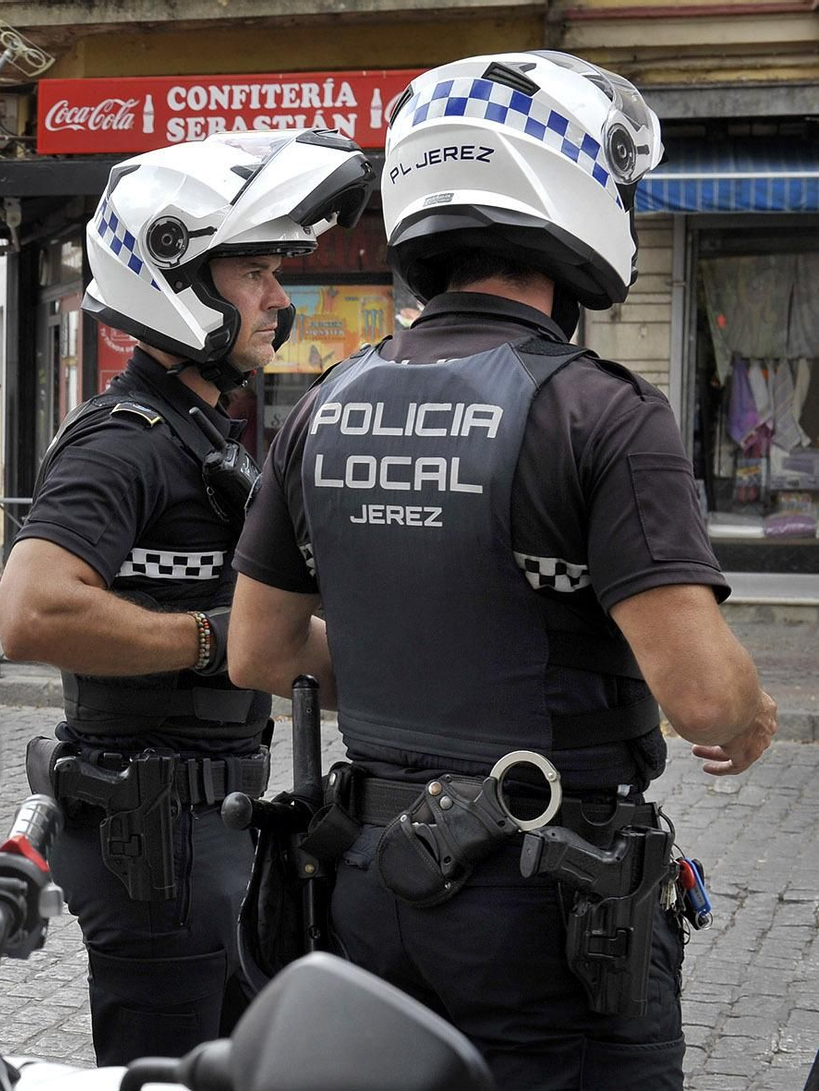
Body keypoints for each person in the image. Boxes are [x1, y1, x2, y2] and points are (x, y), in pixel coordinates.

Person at [227, 51, 778, 1090]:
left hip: (366, 890)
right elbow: (702, 697)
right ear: (568, 190)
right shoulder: (601, 411)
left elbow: (258, 651)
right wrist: (750, 714)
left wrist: (411, 660)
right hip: (545, 910)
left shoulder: (323, 406)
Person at [0, 129, 375, 1065]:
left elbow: (274, 633)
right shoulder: (120, 441)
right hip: (154, 837)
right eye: (254, 273)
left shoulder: (198, 434)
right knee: (164, 1077)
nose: (280, 299)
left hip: (215, 830)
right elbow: (29, 611)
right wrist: (213, 642)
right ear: (179, 277)